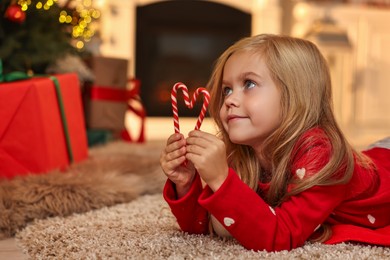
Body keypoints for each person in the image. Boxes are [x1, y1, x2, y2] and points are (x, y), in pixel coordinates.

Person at [159, 34, 390, 252]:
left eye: (249, 84)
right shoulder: (241, 153)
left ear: (295, 96)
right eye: (227, 89)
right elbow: (204, 226)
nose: (229, 99)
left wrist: (221, 179)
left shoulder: (321, 153)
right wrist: (186, 184)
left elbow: (281, 236)